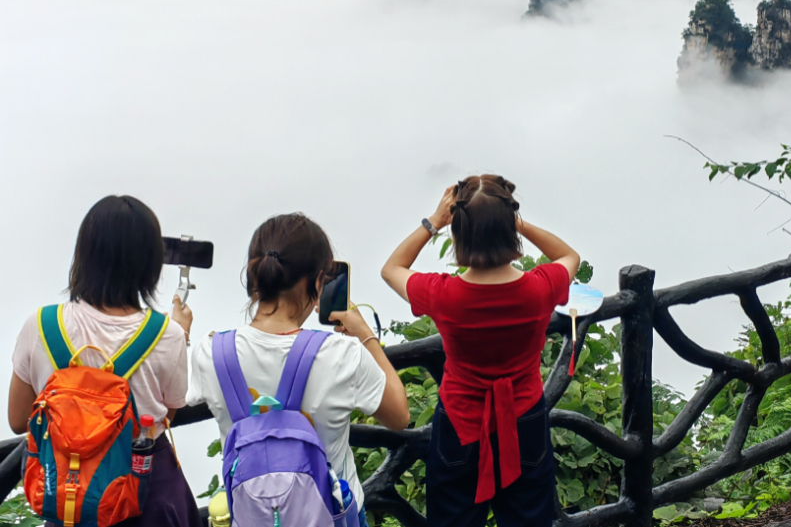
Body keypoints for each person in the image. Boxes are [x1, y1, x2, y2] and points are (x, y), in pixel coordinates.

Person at [381, 175, 580, 527]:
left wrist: (433, 222)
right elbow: (569, 255)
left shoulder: (444, 295)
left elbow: (392, 268)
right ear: (509, 228)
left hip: (460, 425)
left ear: (458, 232)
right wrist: (513, 220)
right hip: (526, 421)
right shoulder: (538, 288)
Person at [188, 213, 409, 527]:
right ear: (319, 282)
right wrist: (365, 336)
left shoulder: (209, 354)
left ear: (254, 275)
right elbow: (399, 416)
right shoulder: (343, 354)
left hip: (254, 516)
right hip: (332, 516)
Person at [8, 195, 201, 527]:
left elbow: (17, 419)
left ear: (83, 255)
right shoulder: (166, 334)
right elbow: (165, 415)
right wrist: (180, 334)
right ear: (150, 263)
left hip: (71, 498)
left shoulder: (40, 325)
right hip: (143, 496)